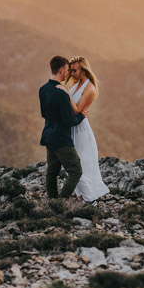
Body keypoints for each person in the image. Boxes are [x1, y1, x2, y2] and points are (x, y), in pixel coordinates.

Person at [60, 56, 110, 202]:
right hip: (71, 128)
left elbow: (77, 111)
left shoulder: (90, 88)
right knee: (73, 164)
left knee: (81, 164)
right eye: (71, 71)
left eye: (74, 70)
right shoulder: (76, 85)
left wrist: (64, 94)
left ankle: (90, 199)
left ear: (83, 70)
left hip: (80, 130)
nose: (72, 74)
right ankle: (82, 197)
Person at [39, 55, 86, 199]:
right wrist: (82, 115)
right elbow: (69, 121)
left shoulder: (43, 89)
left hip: (48, 136)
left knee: (52, 172)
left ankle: (52, 201)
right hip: (61, 139)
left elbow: (44, 113)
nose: (68, 73)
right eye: (67, 70)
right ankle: (61, 200)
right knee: (76, 171)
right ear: (61, 70)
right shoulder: (61, 93)